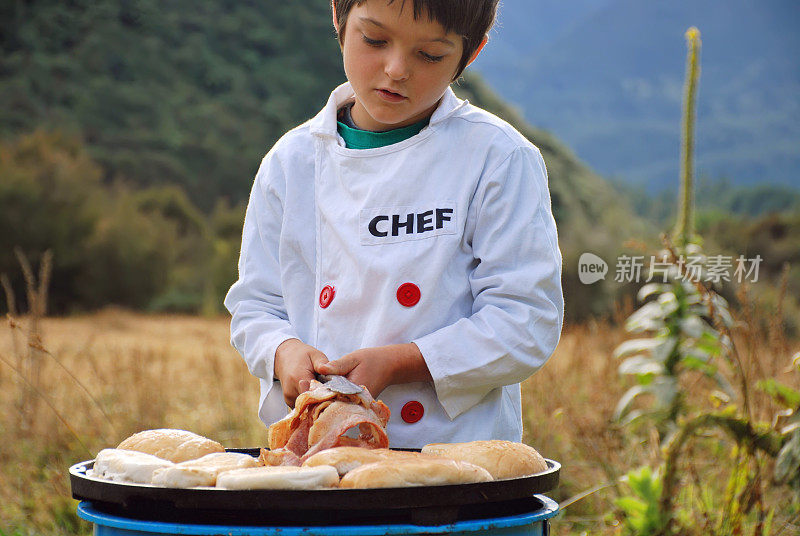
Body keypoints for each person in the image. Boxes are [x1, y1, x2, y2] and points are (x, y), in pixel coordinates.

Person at [224, 0, 563, 448]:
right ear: (339, 20)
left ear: (472, 53)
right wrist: (283, 351)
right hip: (318, 459)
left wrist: (403, 362)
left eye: (430, 55)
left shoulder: (498, 158)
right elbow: (256, 304)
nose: (396, 68)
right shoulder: (291, 163)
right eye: (375, 40)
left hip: (454, 458)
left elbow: (526, 320)